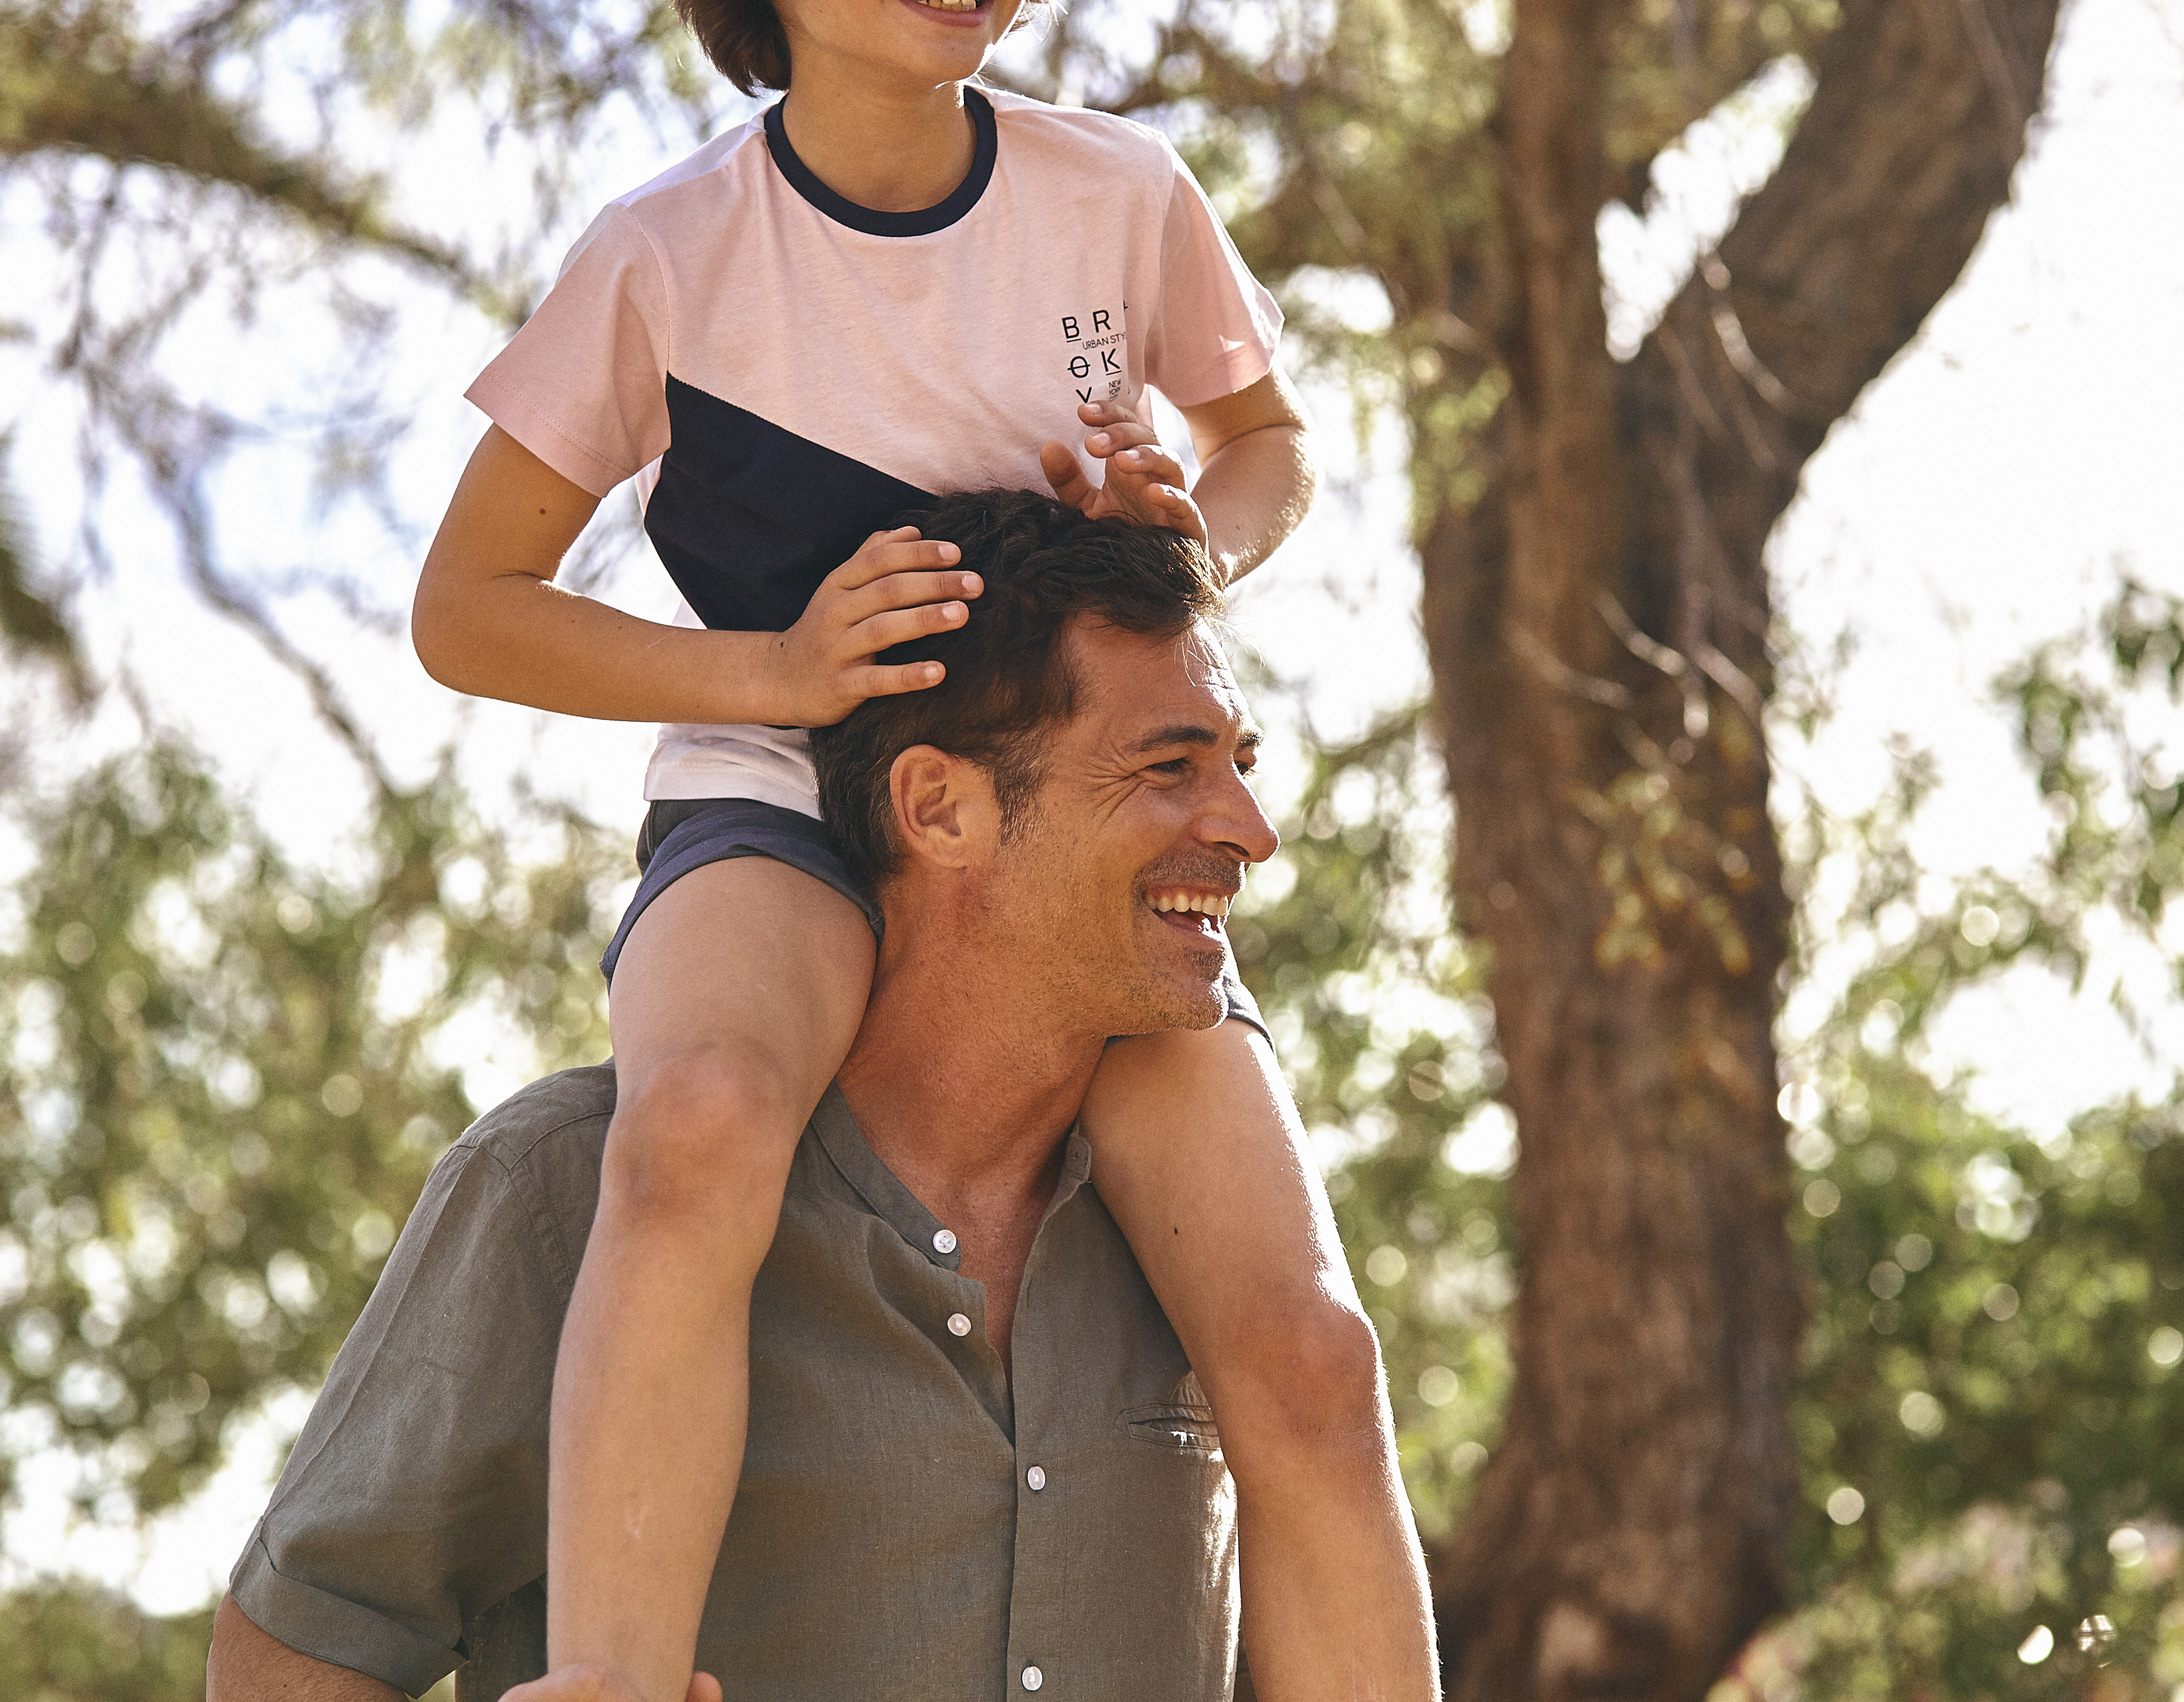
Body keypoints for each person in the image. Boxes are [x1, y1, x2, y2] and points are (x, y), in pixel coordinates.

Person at [406, 1, 1429, 1699]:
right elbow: (466, 612)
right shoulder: (663, 258)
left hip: (1070, 836)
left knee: (1314, 1348)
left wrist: (1200, 540)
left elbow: (1271, 452)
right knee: (700, 1122)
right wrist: (774, 673)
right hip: (778, 787)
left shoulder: (1121, 188)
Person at [210, 492, 1436, 1702]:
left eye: (1239, 764)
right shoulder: (566, 1191)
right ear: (939, 807)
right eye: (1168, 768)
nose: (1252, 831)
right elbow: (288, 1659)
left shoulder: (1225, 1259)